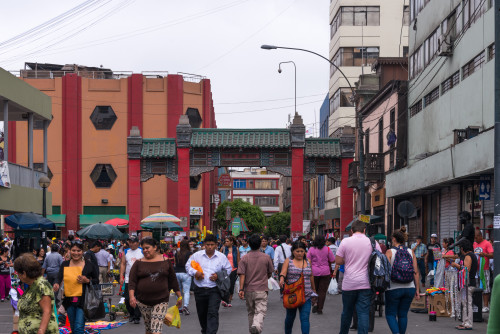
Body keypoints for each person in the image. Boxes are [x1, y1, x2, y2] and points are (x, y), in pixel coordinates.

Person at [336, 220, 381, 334]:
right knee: (363, 313)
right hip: (366, 283)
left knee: (347, 312)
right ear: (364, 230)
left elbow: (338, 260)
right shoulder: (373, 242)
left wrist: (348, 259)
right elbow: (379, 260)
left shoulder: (345, 241)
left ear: (352, 230)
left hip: (349, 283)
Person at [128, 238, 182, 334]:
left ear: (155, 247)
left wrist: (179, 296)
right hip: (143, 301)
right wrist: (132, 296)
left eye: (147, 248)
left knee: (156, 329)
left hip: (161, 300)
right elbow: (132, 281)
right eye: (143, 249)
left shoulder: (165, 261)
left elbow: (173, 280)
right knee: (149, 329)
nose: (145, 250)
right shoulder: (138, 263)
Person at [186, 234, 232, 334]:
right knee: (202, 313)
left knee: (212, 312)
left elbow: (228, 269)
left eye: (212, 244)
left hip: (214, 289)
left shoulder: (221, 257)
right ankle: (205, 330)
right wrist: (195, 273)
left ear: (216, 245)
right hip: (199, 289)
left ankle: (211, 332)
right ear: (204, 245)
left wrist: (218, 276)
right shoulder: (197, 255)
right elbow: (188, 266)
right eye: (207, 245)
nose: (210, 247)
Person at [53, 240, 98, 334]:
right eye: (73, 250)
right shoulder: (65, 264)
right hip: (69, 300)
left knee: (78, 328)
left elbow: (96, 280)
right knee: (73, 328)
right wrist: (56, 283)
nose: (76, 253)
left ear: (82, 251)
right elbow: (59, 277)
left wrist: (87, 280)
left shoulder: (89, 265)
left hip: (83, 301)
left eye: (78, 251)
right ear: (69, 250)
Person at [384, 230, 420, 334]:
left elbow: (385, 271)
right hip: (410, 288)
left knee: (390, 314)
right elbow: (416, 272)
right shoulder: (410, 251)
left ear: (394, 239)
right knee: (403, 315)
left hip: (393, 288)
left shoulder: (390, 252)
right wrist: (417, 290)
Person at [238, 234, 274, 334]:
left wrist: (241, 289)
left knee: (251, 312)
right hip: (262, 288)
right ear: (259, 244)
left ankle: (253, 330)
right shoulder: (266, 257)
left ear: (249, 244)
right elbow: (270, 272)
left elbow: (242, 275)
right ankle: (256, 325)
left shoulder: (244, 258)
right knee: (260, 311)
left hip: (249, 290)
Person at [14, 253, 59, 334]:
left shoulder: (41, 285)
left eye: (18, 273)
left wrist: (41, 331)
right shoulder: (32, 286)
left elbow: (47, 311)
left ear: (24, 273)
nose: (18, 276)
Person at [279, 240, 316, 334]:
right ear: (293, 251)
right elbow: (283, 272)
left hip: (306, 295)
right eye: (297, 251)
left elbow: (311, 276)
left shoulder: (308, 261)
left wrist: (314, 290)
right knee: (290, 318)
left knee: (305, 318)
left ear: (305, 251)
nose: (300, 253)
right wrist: (282, 278)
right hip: (292, 295)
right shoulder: (289, 261)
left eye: (302, 251)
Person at [451, 240, 477, 330]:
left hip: (468, 283)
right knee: (465, 303)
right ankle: (465, 321)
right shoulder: (471, 255)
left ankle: (468, 323)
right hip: (467, 283)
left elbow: (466, 269)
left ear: (462, 248)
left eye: (460, 248)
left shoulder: (469, 256)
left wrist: (455, 265)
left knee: (467, 303)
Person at [307, 235, 334, 315]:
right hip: (325, 272)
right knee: (322, 291)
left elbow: (308, 260)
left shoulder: (311, 249)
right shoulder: (327, 249)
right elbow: (332, 260)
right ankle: (320, 309)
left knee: (314, 289)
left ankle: (314, 302)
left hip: (314, 272)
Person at [120, 236, 143, 324]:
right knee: (127, 298)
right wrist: (121, 276)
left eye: (133, 242)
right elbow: (123, 264)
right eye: (130, 242)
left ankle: (137, 317)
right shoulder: (126, 251)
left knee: (138, 298)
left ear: (137, 242)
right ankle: (132, 314)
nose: (131, 244)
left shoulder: (142, 251)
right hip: (128, 279)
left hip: (140, 279)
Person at [473, 229, 493, 312]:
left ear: (480, 236)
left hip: (484, 269)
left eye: (476, 238)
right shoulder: (474, 244)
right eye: (474, 238)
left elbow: (492, 255)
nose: (475, 240)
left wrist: (484, 254)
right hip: (476, 270)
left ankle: (485, 306)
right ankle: (478, 305)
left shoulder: (487, 243)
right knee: (477, 288)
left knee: (485, 287)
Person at [441, 237, 459, 317]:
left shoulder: (450, 251)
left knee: (451, 291)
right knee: (446, 290)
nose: (442, 244)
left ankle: (453, 310)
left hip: (450, 273)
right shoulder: (443, 251)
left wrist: (445, 257)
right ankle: (448, 308)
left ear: (447, 243)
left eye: (443, 242)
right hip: (444, 272)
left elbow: (453, 260)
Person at [220, 236, 240, 307]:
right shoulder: (223, 249)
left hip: (233, 269)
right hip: (225, 270)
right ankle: (225, 299)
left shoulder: (236, 249)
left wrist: (239, 269)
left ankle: (229, 300)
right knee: (225, 285)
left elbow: (238, 259)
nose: (226, 243)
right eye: (225, 241)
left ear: (232, 242)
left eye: (228, 241)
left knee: (231, 285)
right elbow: (218, 258)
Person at [175, 240, 193, 315]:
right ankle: (185, 306)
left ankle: (179, 308)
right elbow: (192, 263)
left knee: (178, 291)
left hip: (177, 273)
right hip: (186, 273)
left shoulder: (176, 253)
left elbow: (175, 263)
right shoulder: (190, 253)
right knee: (186, 291)